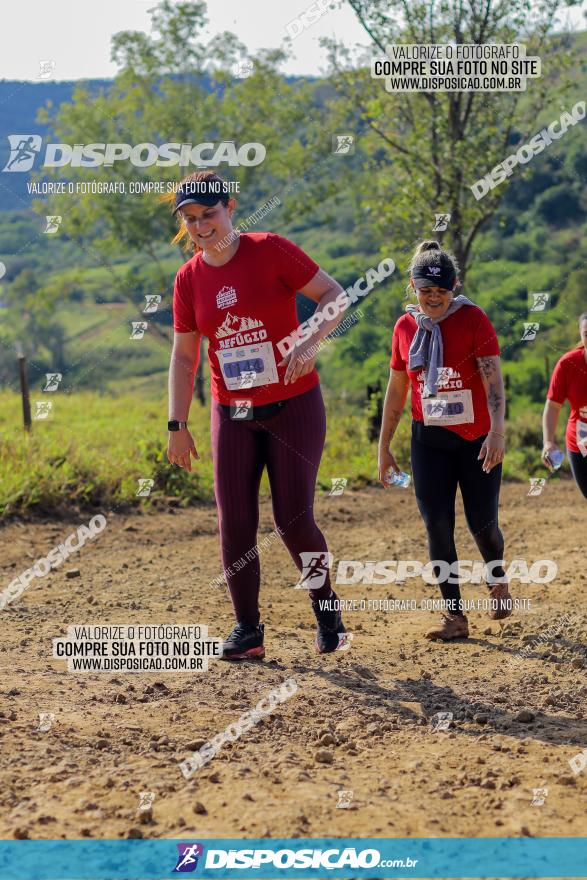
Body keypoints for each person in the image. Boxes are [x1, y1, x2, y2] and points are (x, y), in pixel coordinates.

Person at [166, 170, 348, 659]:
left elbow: (335, 296)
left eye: (209, 214)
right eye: (191, 219)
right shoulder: (188, 279)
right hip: (233, 412)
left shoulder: (271, 250)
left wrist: (309, 343)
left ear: (230, 206)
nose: (201, 227)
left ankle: (326, 607)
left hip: (293, 406)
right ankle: (248, 630)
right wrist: (177, 424)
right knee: (236, 523)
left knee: (292, 520)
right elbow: (185, 358)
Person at [378, 240, 511, 640]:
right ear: (414, 289)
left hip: (476, 441)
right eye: (426, 291)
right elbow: (397, 388)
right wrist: (384, 447)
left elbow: (494, 385)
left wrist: (497, 432)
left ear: (454, 287)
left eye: (441, 291)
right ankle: (454, 616)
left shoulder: (474, 320)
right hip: (429, 441)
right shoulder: (405, 328)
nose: (434, 299)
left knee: (482, 525)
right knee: (437, 526)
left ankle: (497, 577)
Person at [542, 312, 587, 499]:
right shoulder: (568, 364)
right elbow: (553, 406)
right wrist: (548, 441)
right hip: (580, 442)